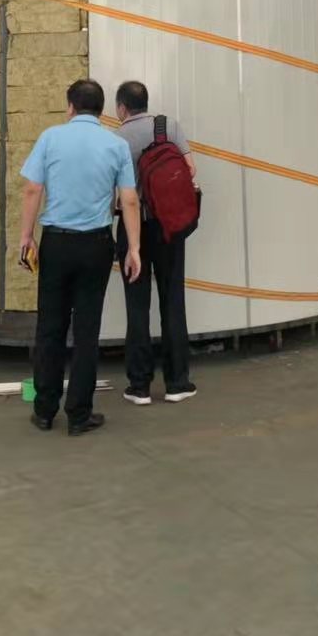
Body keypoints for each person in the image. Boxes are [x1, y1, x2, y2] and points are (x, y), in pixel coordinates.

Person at [19, 78, 141, 436]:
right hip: (96, 246)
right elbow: (129, 200)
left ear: (70, 106)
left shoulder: (50, 137)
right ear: (102, 110)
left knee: (50, 326)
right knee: (87, 330)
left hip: (56, 243)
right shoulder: (116, 144)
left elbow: (32, 189)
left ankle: (44, 410)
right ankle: (79, 414)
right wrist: (134, 248)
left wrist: (26, 237)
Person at [114, 80, 198, 405]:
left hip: (133, 227)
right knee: (172, 299)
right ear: (145, 103)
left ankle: (139, 387)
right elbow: (190, 169)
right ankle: (178, 383)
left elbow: (117, 192)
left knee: (137, 306)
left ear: (122, 108)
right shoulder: (168, 127)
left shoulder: (117, 139)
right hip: (169, 226)